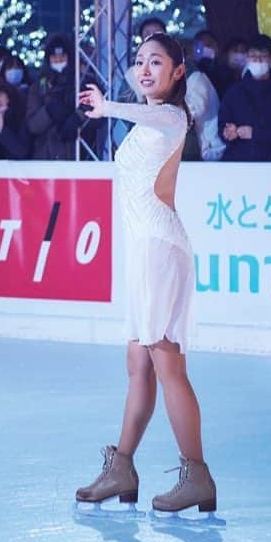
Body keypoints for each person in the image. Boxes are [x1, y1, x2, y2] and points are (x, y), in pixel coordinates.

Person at [75, 32, 215, 515]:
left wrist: (107, 105)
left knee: (167, 364)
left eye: (156, 62)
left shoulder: (171, 116)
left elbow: (153, 114)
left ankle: (197, 474)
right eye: (139, 61)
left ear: (178, 72)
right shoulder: (145, 121)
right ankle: (122, 467)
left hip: (160, 247)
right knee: (138, 365)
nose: (145, 69)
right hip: (141, 253)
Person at [218, 34, 271, 161]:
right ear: (247, 58)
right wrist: (228, 132)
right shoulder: (234, 92)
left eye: (263, 56)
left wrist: (255, 133)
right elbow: (223, 125)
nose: (258, 61)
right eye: (253, 56)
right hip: (239, 162)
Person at [25, 34, 95, 161]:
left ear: (69, 57)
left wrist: (77, 117)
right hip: (46, 159)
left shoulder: (82, 82)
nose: (58, 60)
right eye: (54, 57)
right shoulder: (39, 86)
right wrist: (48, 111)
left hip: (79, 156)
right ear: (48, 59)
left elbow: (96, 112)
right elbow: (32, 126)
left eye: (62, 56)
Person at [0, 76, 32, 160]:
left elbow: (23, 153)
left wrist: (1, 129)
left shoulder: (22, 116)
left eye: (0, 95)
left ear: (8, 97)